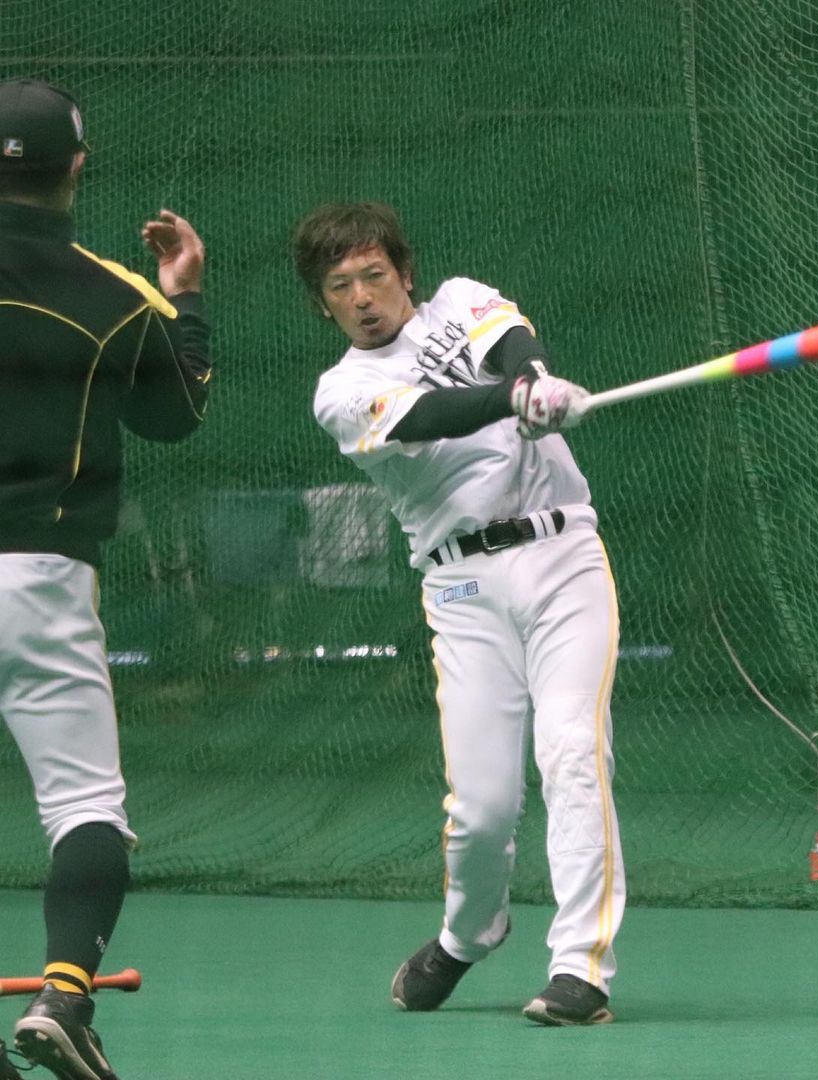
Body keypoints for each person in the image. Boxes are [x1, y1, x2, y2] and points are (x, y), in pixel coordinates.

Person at [293, 201, 626, 1026]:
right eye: (340, 286)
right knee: (481, 810)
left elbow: (512, 345)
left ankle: (581, 968)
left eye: (374, 275)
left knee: (573, 752)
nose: (362, 296)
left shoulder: (461, 300)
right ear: (323, 304)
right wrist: (515, 399)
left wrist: (534, 380)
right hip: (462, 588)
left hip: (562, 556)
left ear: (404, 273)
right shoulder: (342, 392)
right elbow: (428, 415)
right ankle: (468, 933)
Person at [0, 78, 212, 1079]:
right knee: (85, 807)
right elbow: (176, 415)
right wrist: (185, 296)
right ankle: (64, 998)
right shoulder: (117, 295)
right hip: (39, 578)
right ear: (77, 168)